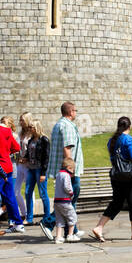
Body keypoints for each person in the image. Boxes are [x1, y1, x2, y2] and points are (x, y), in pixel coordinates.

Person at [89, 117, 132, 241]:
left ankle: (99, 227)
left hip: (116, 175)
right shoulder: (129, 140)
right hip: (129, 175)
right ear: (130, 127)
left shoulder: (111, 140)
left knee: (117, 202)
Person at [41, 102, 83, 241]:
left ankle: (72, 231)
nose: (76, 113)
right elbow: (67, 148)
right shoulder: (67, 126)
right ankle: (48, 223)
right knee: (69, 201)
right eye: (75, 110)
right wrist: (70, 169)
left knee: (70, 202)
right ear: (71, 112)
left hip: (64, 170)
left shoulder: (59, 124)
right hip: (69, 170)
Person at [19, 113, 51, 225]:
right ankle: (29, 218)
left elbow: (46, 158)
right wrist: (24, 158)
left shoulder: (44, 140)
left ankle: (47, 218)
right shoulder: (31, 139)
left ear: (36, 127)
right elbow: (29, 153)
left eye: (31, 127)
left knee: (43, 193)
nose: (29, 129)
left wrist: (43, 173)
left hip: (39, 169)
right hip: (31, 169)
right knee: (28, 192)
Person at [52, 154, 80, 243]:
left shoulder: (58, 174)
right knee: (72, 217)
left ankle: (58, 237)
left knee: (59, 219)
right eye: (72, 169)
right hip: (65, 201)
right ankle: (70, 235)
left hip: (57, 201)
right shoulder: (66, 175)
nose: (73, 172)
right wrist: (71, 193)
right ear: (68, 167)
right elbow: (67, 186)